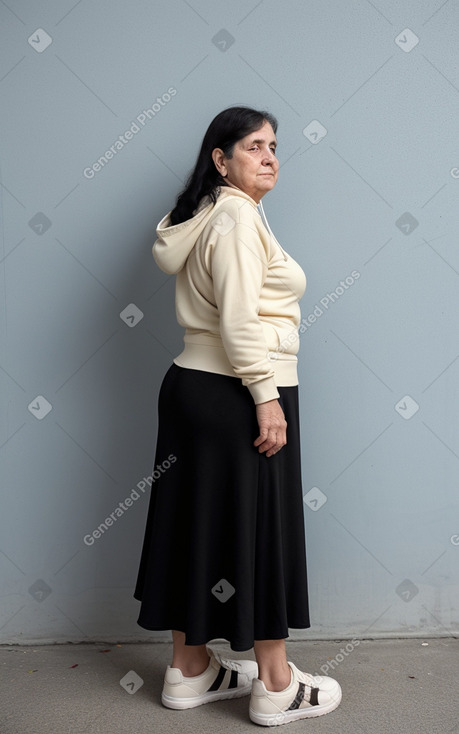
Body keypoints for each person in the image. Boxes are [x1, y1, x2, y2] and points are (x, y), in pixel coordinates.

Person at [133, 106, 342, 726]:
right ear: (221, 161)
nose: (272, 156)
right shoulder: (236, 217)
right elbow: (239, 320)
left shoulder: (204, 217)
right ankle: (276, 684)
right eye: (255, 146)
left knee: (193, 521)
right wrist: (267, 396)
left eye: (275, 145)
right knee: (261, 526)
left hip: (193, 388)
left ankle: (190, 669)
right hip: (240, 390)